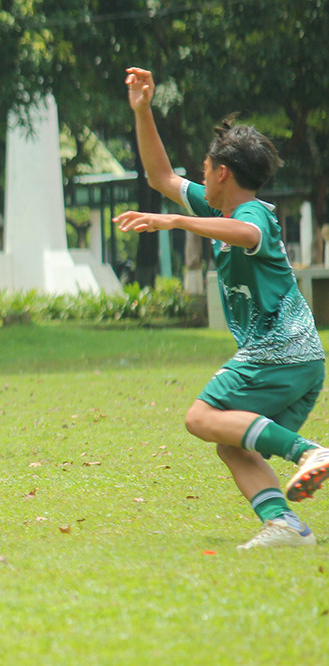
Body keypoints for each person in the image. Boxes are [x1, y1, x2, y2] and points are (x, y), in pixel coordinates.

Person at [114, 67, 329, 549]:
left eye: (206, 168)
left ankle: (309, 452)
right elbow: (161, 176)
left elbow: (250, 235)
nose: (200, 175)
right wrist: (143, 111)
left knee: (200, 417)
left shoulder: (248, 214)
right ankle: (285, 525)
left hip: (278, 351)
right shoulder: (219, 209)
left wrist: (176, 221)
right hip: (302, 359)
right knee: (230, 444)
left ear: (222, 172)